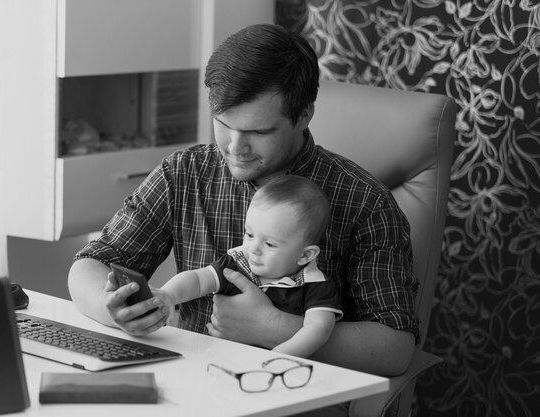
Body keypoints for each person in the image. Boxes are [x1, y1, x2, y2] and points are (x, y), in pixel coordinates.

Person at [68, 23, 418, 384]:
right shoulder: (184, 173)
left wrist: (273, 327)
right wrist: (110, 308)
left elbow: (396, 348)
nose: (235, 148)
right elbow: (91, 264)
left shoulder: (364, 200)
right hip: (189, 383)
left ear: (304, 116)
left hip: (296, 392)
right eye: (223, 124)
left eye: (258, 132)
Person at [145, 175, 342, 358]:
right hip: (221, 363)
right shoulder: (238, 263)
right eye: (249, 234)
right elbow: (197, 279)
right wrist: (168, 295)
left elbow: (318, 329)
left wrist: (278, 356)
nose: (253, 249)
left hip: (278, 374)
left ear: (305, 254)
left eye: (270, 244)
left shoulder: (316, 285)